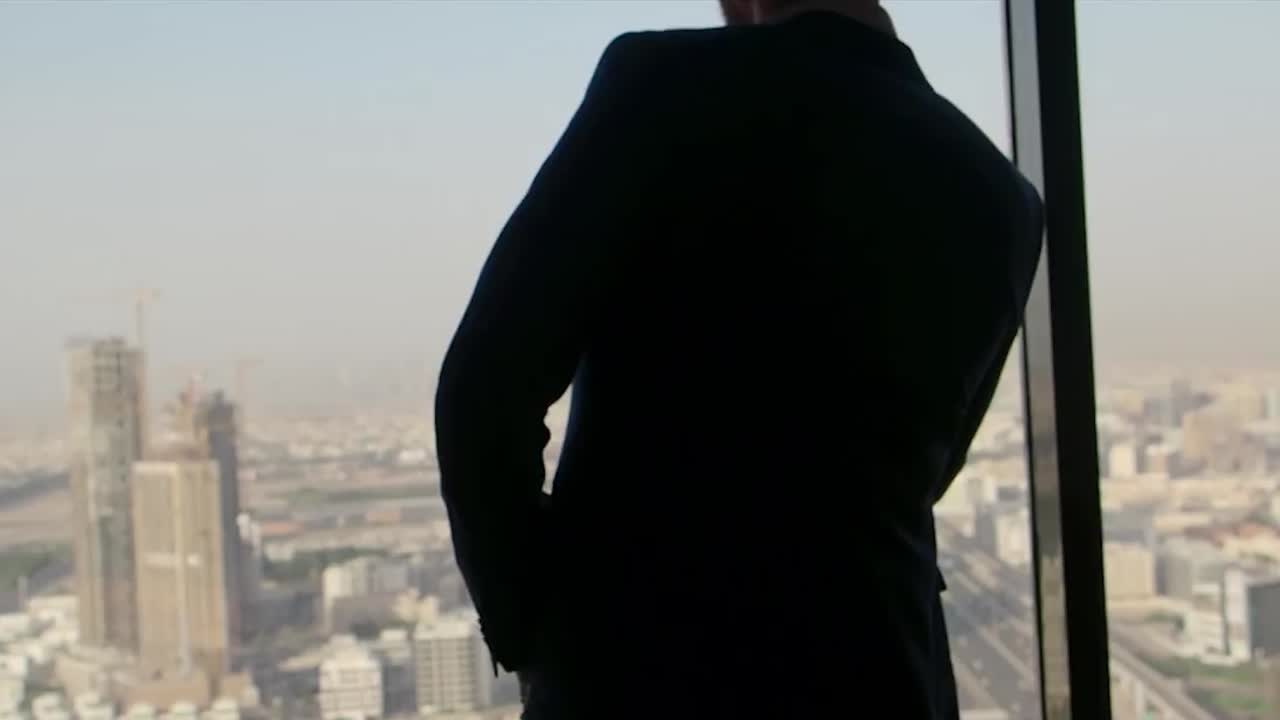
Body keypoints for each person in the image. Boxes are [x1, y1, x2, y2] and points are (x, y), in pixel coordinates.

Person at [434, 0, 1043, 717]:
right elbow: (924, 476)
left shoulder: (668, 86)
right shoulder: (1002, 197)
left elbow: (483, 392)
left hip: (644, 681)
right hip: (880, 676)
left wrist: (539, 636)